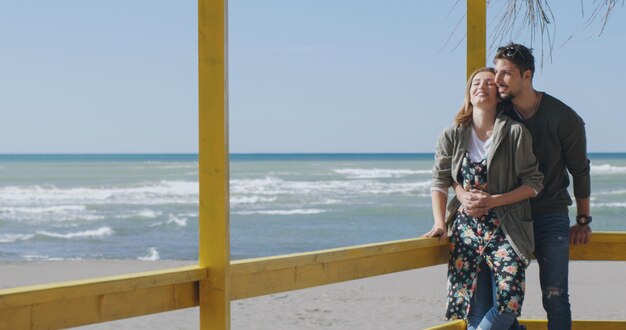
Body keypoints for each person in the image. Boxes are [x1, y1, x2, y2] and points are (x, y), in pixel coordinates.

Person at [425, 67, 543, 330]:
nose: (482, 86)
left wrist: (493, 200)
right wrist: (440, 223)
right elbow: (440, 180)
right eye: (476, 82)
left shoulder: (515, 132)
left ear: (499, 94)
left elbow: (534, 183)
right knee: (475, 311)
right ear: (469, 92)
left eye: (489, 82)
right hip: (467, 233)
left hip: (508, 229)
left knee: (507, 304)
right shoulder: (452, 134)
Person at [483, 43, 590, 330]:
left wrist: (582, 220)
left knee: (555, 297)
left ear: (527, 75)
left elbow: (580, 171)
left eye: (506, 73)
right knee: (505, 299)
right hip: (507, 215)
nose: (497, 80)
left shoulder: (563, 117)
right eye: (496, 72)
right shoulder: (498, 113)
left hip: (550, 214)